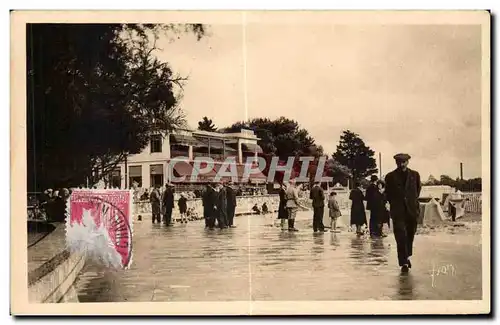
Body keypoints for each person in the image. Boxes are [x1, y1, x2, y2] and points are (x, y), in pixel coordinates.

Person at [385, 153, 421, 273]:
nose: (401, 164)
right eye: (399, 162)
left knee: (410, 234)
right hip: (398, 211)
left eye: (403, 162)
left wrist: (412, 202)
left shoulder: (415, 175)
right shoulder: (390, 176)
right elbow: (388, 193)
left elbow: (417, 190)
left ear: (408, 162)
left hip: (411, 210)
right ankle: (403, 261)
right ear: (396, 162)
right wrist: (395, 204)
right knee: (400, 235)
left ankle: (406, 255)